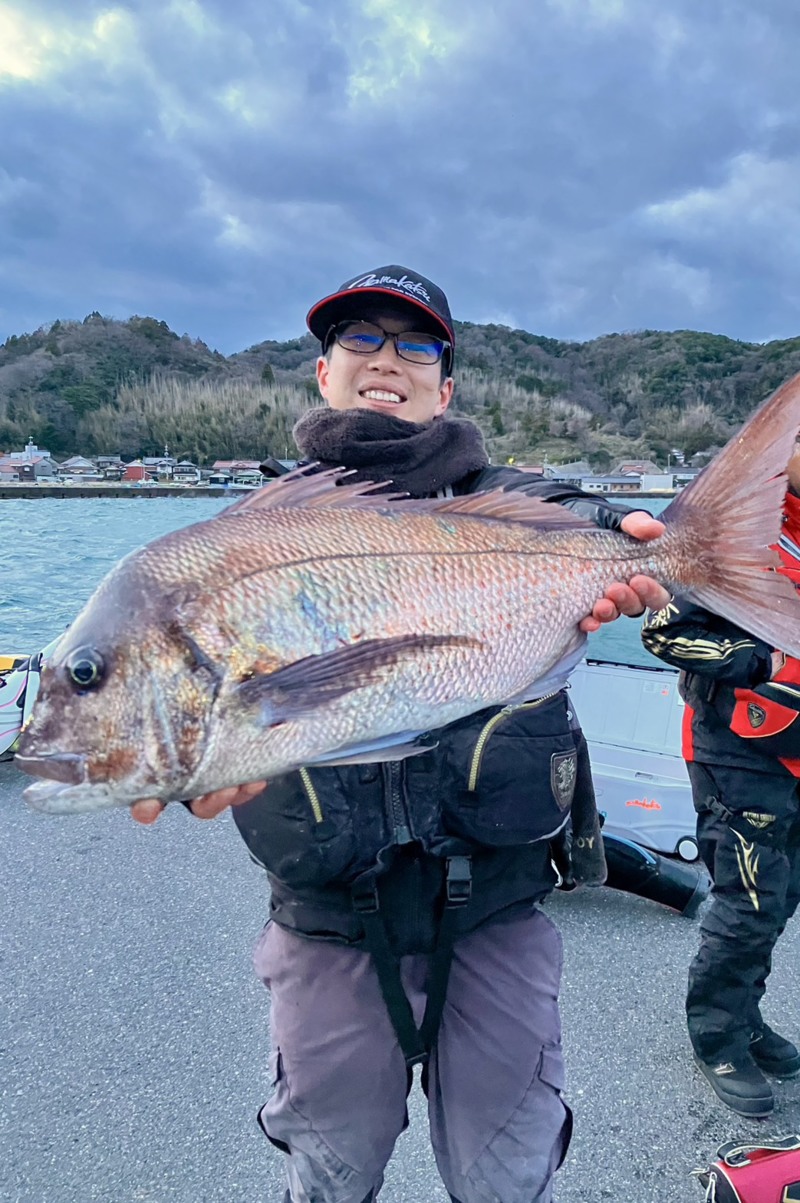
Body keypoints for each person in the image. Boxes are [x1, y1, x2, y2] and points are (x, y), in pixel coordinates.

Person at [133, 265, 669, 1202]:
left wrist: (614, 535)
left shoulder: (508, 502)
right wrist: (183, 764)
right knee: (331, 1171)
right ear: (323, 371)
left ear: (446, 385)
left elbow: (567, 509)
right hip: (330, 923)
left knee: (509, 1175)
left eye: (416, 343)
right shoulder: (246, 539)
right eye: (360, 338)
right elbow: (192, 680)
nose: (387, 359)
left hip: (497, 912)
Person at [641, 448, 800, 1118]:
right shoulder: (733, 533)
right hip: (736, 751)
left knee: (782, 896)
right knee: (748, 903)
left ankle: (745, 1016)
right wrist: (762, 662)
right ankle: (716, 1037)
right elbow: (664, 631)